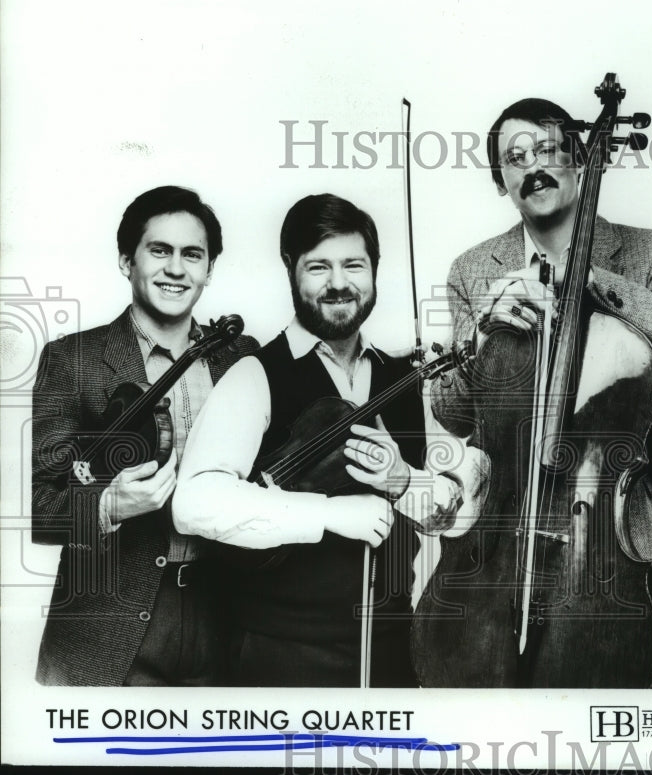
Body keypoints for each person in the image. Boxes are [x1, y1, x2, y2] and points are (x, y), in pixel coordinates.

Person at [423, 97, 652, 678]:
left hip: (611, 550)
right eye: (515, 158)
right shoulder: (473, 269)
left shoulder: (648, 253)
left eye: (548, 149)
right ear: (500, 180)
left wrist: (589, 277)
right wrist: (484, 334)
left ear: (582, 159)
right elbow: (453, 411)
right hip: (499, 548)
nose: (532, 166)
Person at [173, 193, 484, 687]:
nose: (339, 283)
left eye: (353, 265)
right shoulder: (256, 374)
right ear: (291, 270)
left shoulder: (408, 377)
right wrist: (329, 514)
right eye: (318, 267)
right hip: (279, 660)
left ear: (374, 271)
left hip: (394, 657)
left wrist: (406, 482)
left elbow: (453, 514)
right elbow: (194, 502)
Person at [31, 185, 259, 686]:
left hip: (223, 613)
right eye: (159, 250)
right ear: (125, 260)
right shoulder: (72, 360)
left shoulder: (241, 356)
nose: (176, 269)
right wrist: (108, 506)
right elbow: (39, 508)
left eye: (192, 255)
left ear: (209, 270)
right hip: (107, 628)